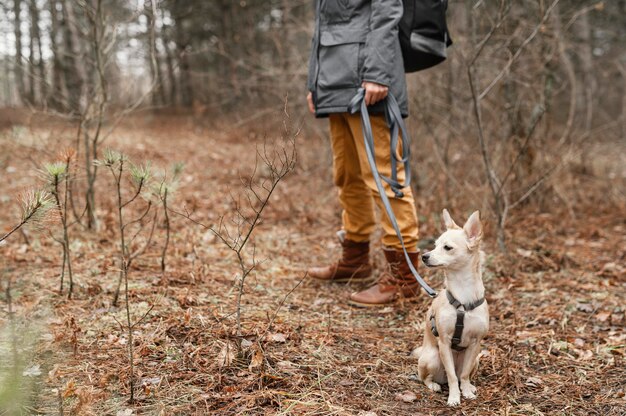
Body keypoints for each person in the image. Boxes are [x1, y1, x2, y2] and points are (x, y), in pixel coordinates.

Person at [306, 0, 421, 307]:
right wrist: (313, 82)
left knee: (385, 178)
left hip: (367, 82)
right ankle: (355, 260)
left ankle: (405, 278)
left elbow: (387, 13)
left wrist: (378, 73)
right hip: (333, 83)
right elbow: (322, 26)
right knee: (347, 175)